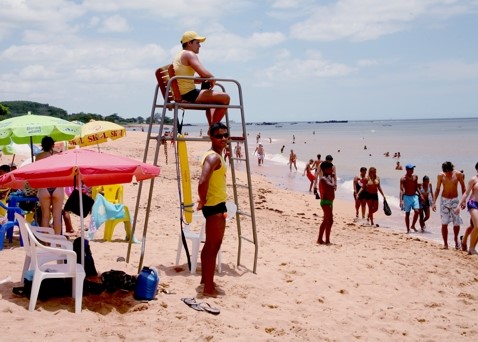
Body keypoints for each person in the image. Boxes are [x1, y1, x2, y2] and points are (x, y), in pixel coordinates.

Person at [197, 122, 229, 297]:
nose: (223, 138)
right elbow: (202, 182)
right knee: (213, 246)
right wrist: (202, 200)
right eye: (219, 135)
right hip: (214, 206)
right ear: (211, 137)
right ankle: (208, 287)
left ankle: (206, 280)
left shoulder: (216, 155)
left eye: (225, 135)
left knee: (211, 246)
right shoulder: (213, 157)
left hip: (215, 204)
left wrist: (203, 199)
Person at [172, 31, 230, 125]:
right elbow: (205, 74)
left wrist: (199, 79)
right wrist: (212, 79)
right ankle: (213, 128)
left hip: (182, 94)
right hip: (188, 95)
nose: (200, 46)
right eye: (197, 43)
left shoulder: (179, 55)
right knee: (225, 98)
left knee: (213, 101)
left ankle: (213, 127)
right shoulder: (189, 54)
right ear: (189, 43)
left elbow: (183, 77)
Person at [432, 161, 466, 249]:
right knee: (444, 223)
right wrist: (433, 202)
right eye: (446, 172)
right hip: (444, 201)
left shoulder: (458, 174)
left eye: (449, 172)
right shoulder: (440, 176)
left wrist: (464, 201)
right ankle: (445, 244)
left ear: (452, 169)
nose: (448, 174)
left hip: (455, 200)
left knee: (456, 222)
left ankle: (455, 239)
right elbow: (437, 189)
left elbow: (463, 187)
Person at [35, 136, 64, 235]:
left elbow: (36, 172)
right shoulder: (59, 155)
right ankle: (57, 241)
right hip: (57, 186)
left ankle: (46, 242)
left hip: (44, 186)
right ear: (53, 144)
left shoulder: (39, 157)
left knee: (45, 216)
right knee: (57, 216)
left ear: (42, 145)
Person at [455, 162, 478, 254]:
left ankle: (464, 241)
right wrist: (459, 205)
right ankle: (471, 248)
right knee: (477, 226)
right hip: (473, 203)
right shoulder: (474, 179)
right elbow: (466, 193)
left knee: (473, 226)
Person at [317, 161, 336, 245]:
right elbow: (332, 186)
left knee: (326, 220)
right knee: (329, 220)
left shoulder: (328, 178)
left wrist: (332, 178)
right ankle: (326, 240)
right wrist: (334, 180)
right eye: (330, 169)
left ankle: (321, 239)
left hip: (329, 202)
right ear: (325, 169)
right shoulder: (323, 179)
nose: (332, 170)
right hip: (325, 202)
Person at [399, 164, 420, 233]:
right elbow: (401, 190)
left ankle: (413, 225)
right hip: (407, 197)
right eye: (411, 169)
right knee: (407, 214)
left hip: (414, 196)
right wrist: (401, 201)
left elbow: (416, 187)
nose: (413, 170)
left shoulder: (415, 177)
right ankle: (408, 229)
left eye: (413, 169)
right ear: (407, 170)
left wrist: (421, 194)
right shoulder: (403, 178)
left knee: (417, 211)